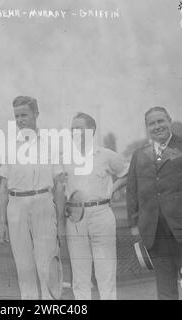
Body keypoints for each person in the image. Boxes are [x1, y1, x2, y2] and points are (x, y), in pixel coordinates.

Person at [126, 106, 182, 300]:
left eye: (161, 121)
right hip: (155, 231)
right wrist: (134, 223)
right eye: (152, 123)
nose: (157, 126)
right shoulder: (139, 154)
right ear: (147, 127)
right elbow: (132, 190)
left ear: (169, 121)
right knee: (165, 289)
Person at [0, 96, 65, 300]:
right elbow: (2, 187)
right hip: (16, 206)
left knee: (47, 263)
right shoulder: (9, 146)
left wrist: (60, 222)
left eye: (24, 114)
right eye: (16, 116)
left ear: (36, 114)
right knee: (23, 264)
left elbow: (59, 185)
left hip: (43, 202)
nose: (20, 120)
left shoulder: (50, 144)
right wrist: (2, 223)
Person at [62, 112, 128, 300]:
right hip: (75, 217)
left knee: (105, 273)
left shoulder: (106, 155)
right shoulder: (65, 157)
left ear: (92, 131)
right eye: (72, 128)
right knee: (80, 275)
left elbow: (127, 173)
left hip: (101, 214)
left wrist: (112, 190)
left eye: (79, 128)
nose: (75, 132)